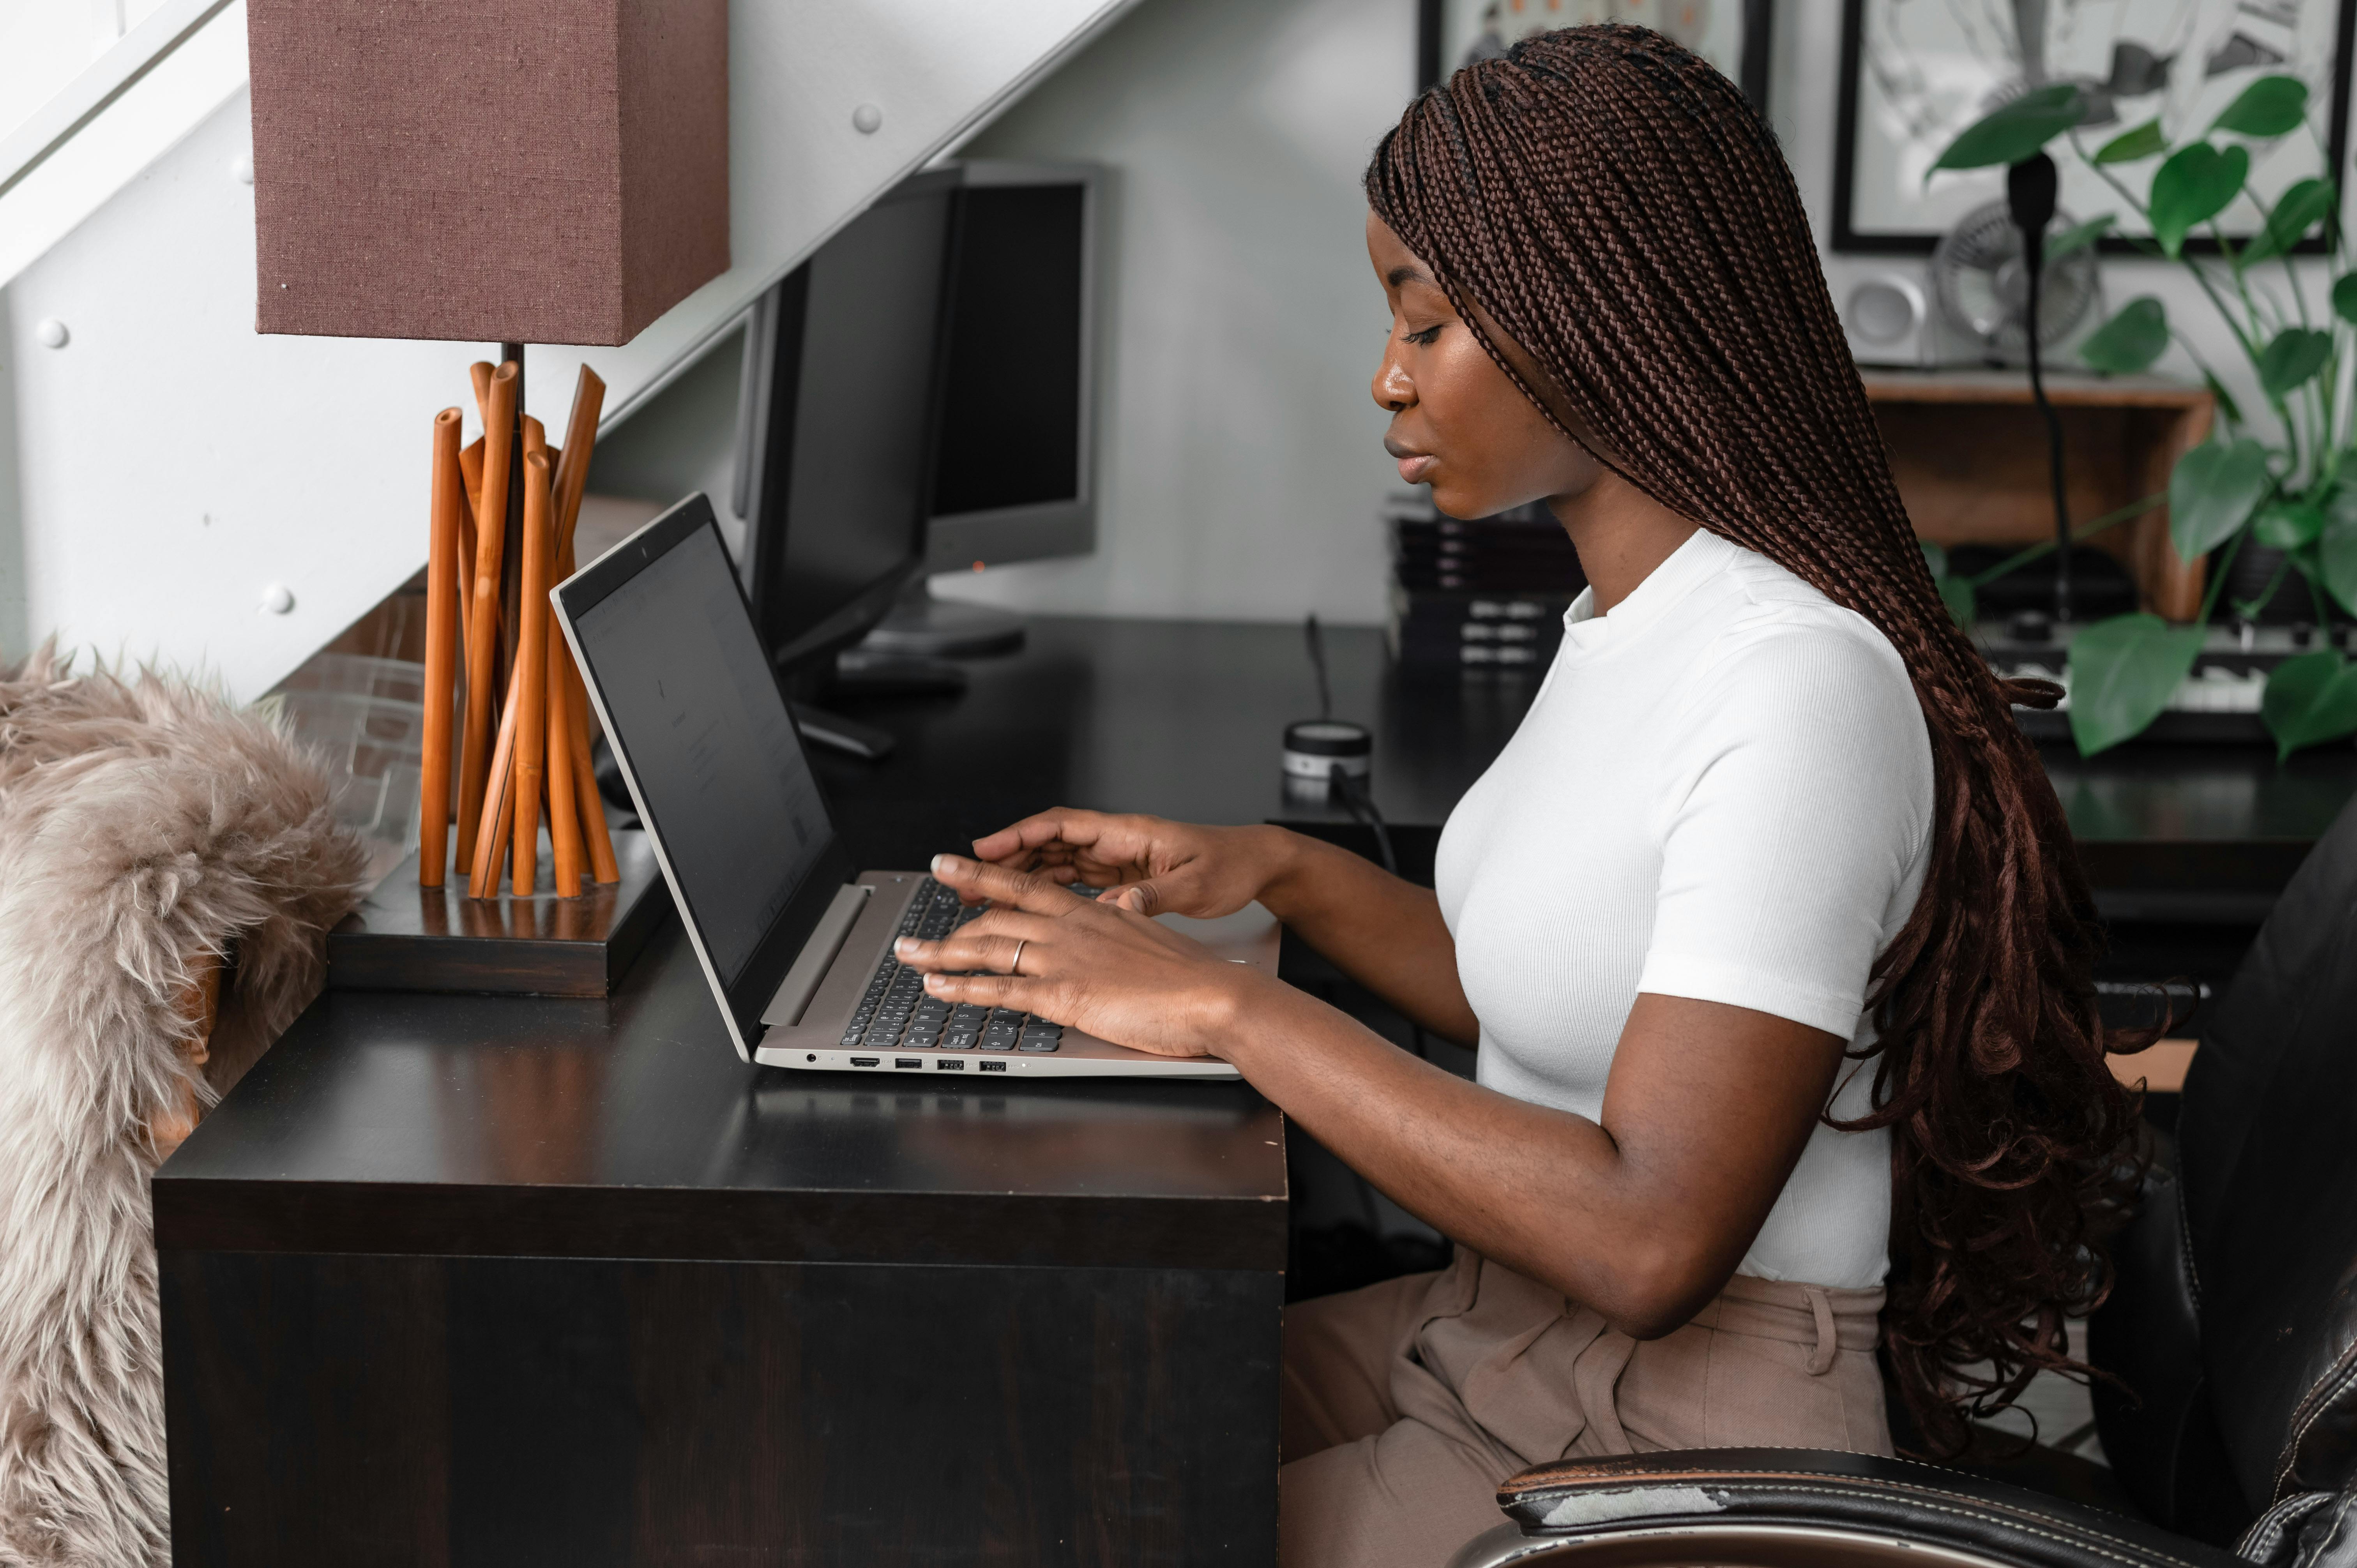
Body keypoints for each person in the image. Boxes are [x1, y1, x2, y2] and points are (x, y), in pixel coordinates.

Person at [891, 25, 2138, 1568]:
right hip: (1495, 1329)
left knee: (1082, 1512)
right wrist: (1275, 871)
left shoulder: (1796, 683)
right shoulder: (1631, 615)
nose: (1386, 377)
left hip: (1682, 1427)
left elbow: (1650, 1236)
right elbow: (1558, 985)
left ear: (1594, 319)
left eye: (1426, 323)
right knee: (1025, 1421)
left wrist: (1225, 1014)